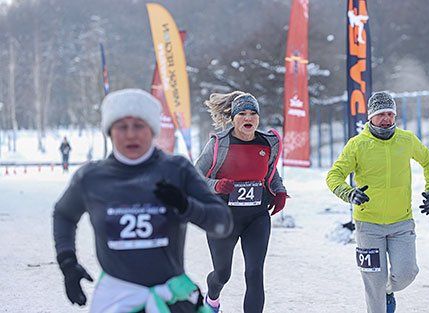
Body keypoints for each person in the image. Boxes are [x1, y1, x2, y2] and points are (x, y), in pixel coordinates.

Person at [53, 88, 233, 313]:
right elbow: (63, 215)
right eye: (121, 126)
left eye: (139, 126)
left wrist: (186, 206)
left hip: (172, 298)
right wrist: (68, 262)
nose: (130, 135)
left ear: (152, 129)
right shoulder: (91, 177)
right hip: (117, 300)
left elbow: (223, 223)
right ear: (110, 131)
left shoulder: (177, 169)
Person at [326, 91, 429, 313]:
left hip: (402, 222)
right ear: (370, 117)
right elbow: (333, 176)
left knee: (407, 274)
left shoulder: (407, 140)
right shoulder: (357, 145)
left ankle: (388, 289)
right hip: (368, 225)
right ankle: (380, 294)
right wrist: (349, 193)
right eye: (381, 114)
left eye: (390, 113)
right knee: (373, 285)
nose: (386, 119)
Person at [194, 91, 287, 313]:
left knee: (254, 273)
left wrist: (279, 191)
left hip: (256, 217)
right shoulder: (219, 144)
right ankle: (212, 298)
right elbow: (196, 175)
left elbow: (270, 173)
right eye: (242, 113)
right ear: (233, 118)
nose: (248, 118)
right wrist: (217, 186)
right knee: (222, 274)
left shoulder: (268, 143)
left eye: (253, 113)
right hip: (223, 217)